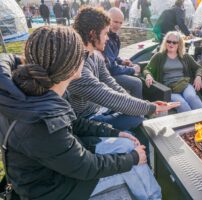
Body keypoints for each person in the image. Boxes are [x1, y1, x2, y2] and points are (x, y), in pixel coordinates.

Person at [0, 26, 161, 200]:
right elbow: (86, 167)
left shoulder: (37, 94)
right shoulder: (43, 122)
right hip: (55, 189)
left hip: (59, 164)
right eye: (81, 55)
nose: (85, 58)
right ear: (70, 67)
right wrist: (133, 159)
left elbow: (72, 122)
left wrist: (113, 132)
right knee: (134, 164)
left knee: (126, 144)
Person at [69, 7, 179, 131]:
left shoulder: (94, 56)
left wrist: (142, 106)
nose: (108, 38)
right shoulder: (77, 68)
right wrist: (150, 107)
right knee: (140, 122)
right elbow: (109, 96)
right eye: (105, 33)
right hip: (86, 120)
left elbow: (111, 84)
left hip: (99, 109)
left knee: (137, 115)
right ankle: (139, 149)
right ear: (92, 34)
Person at [143, 31, 202, 113]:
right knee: (181, 103)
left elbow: (199, 68)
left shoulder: (185, 56)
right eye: (168, 41)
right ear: (165, 42)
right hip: (169, 88)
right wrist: (148, 75)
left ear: (179, 44)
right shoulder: (159, 56)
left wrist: (198, 76)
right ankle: (192, 123)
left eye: (174, 42)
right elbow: (147, 69)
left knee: (191, 97)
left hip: (184, 84)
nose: (171, 44)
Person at [104, 7, 143, 99]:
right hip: (105, 75)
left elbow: (113, 57)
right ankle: (137, 111)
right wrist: (133, 70)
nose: (118, 25)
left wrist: (122, 61)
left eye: (120, 23)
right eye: (115, 22)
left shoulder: (115, 37)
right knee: (137, 83)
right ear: (107, 20)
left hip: (110, 71)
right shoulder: (105, 38)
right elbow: (112, 69)